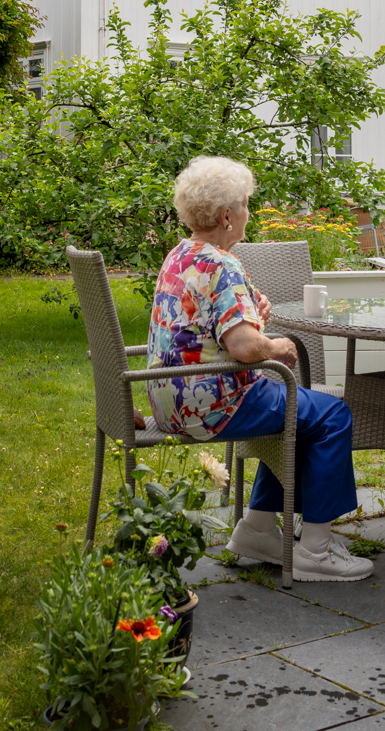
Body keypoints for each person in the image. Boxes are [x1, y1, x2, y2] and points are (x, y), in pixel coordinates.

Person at [147, 155, 373, 582]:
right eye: (247, 204)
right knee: (330, 414)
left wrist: (253, 308)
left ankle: (258, 528)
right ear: (228, 215)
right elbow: (246, 346)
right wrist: (277, 345)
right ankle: (316, 551)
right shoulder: (223, 264)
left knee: (297, 412)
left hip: (168, 400)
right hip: (214, 403)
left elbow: (205, 322)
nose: (250, 212)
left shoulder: (182, 254)